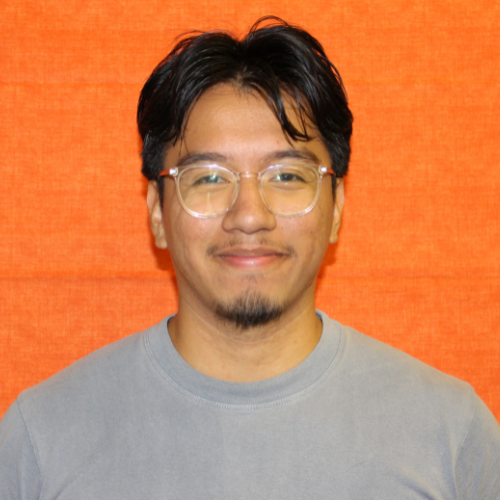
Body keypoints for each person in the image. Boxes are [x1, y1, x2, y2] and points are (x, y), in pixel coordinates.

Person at [1, 16, 499, 500]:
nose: (249, 216)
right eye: (209, 178)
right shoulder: (41, 442)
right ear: (157, 211)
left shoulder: (452, 436)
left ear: (336, 209)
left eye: (286, 176)